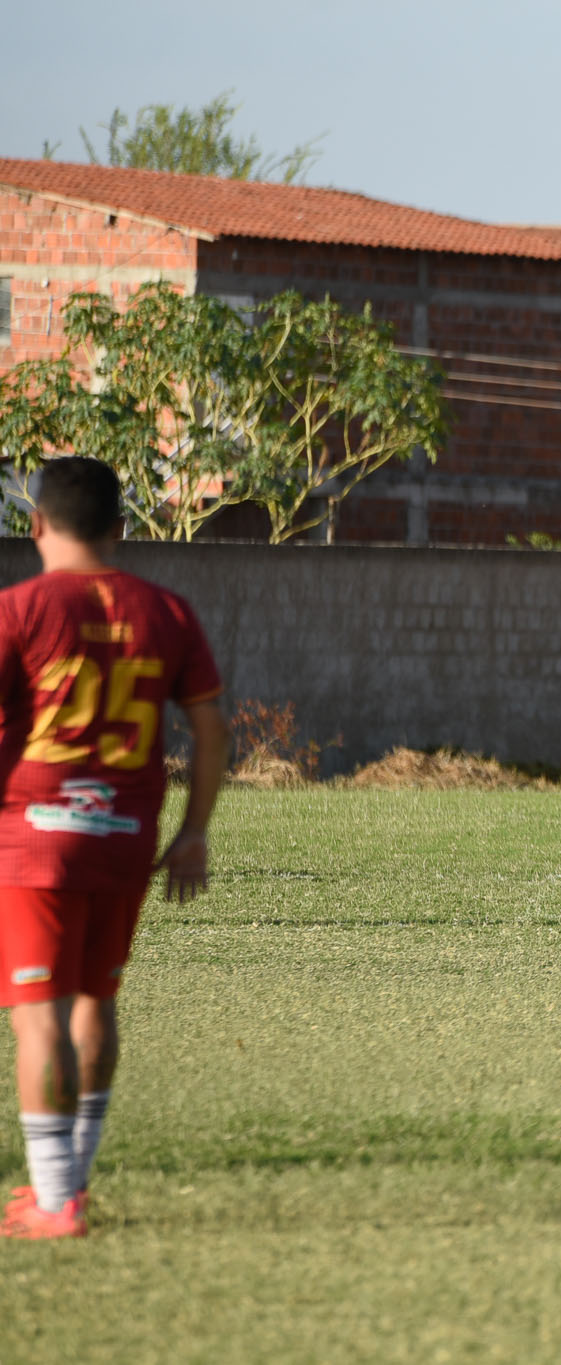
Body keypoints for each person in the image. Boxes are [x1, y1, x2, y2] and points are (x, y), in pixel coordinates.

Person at [0, 457, 227, 1239]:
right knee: (96, 1001)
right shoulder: (167, 610)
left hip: (36, 840)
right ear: (120, 528)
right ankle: (71, 1184)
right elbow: (209, 729)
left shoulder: (19, 608)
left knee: (38, 1017)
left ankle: (55, 1201)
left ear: (35, 524)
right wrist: (193, 831)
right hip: (126, 837)